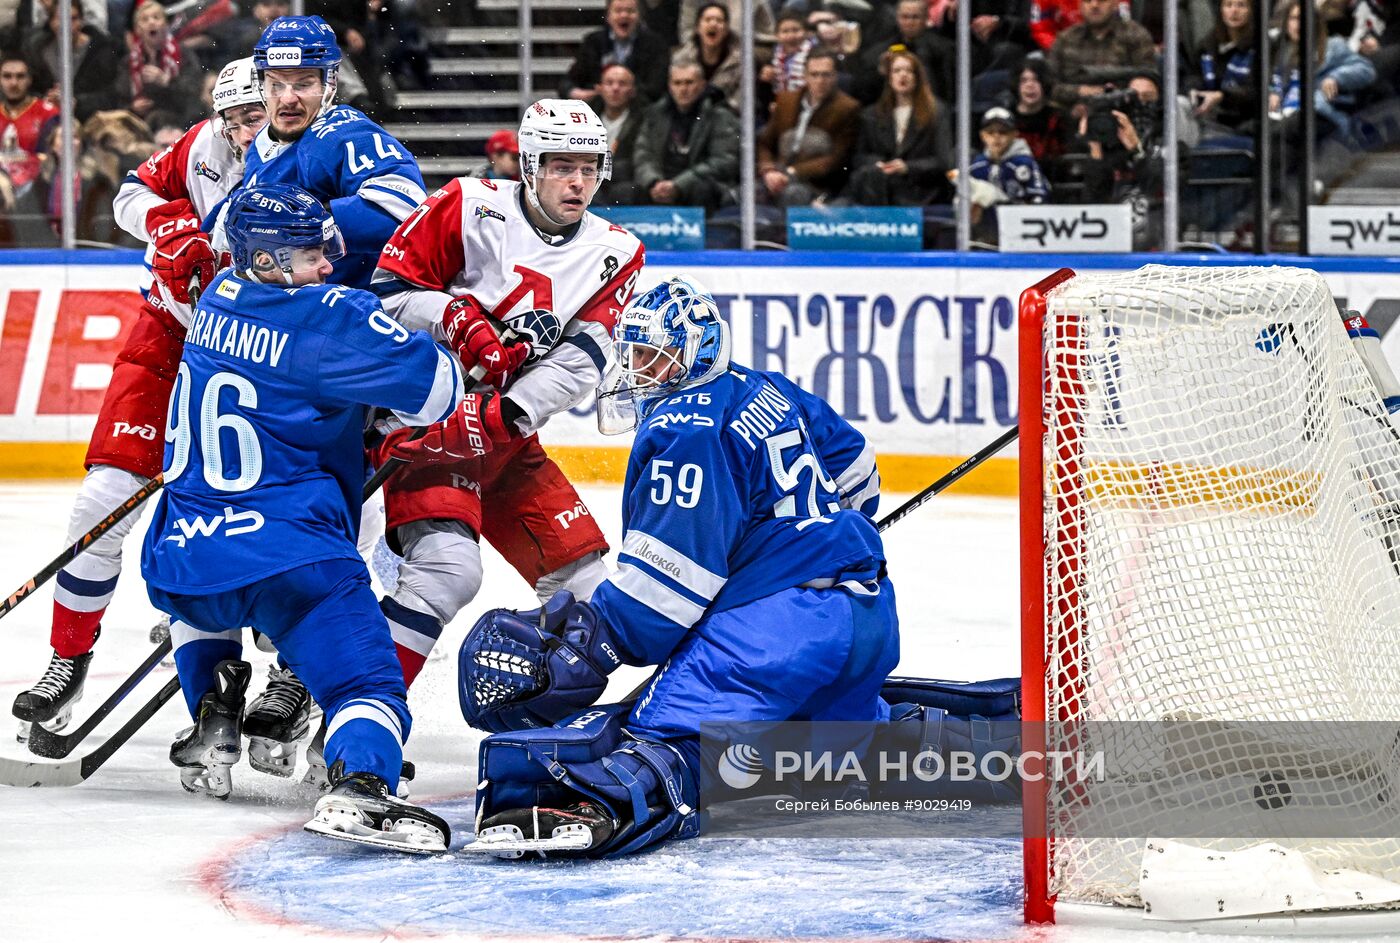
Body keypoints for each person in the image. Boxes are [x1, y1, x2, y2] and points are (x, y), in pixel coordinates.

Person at [458, 276, 896, 858]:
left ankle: (599, 804)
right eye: (633, 354)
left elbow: (666, 587)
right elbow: (860, 476)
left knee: (662, 735)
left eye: (651, 355)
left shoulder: (683, 429)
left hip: (777, 632)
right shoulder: (768, 387)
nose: (638, 371)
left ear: (695, 351)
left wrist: (596, 642)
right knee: (824, 739)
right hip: (867, 613)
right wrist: (810, 535)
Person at [140, 184, 462, 855]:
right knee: (368, 684)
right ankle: (363, 784)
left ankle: (213, 705)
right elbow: (438, 391)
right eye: (313, 251)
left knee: (207, 586)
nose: (327, 263)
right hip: (293, 559)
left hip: (182, 556)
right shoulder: (331, 315)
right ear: (270, 261)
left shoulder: (217, 300)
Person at [9, 57, 266, 744]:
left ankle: (287, 673)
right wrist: (167, 223)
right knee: (101, 501)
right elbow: (129, 193)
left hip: (260, 361)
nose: (245, 130)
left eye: (256, 114)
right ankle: (68, 658)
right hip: (167, 338)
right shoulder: (200, 146)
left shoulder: (308, 163)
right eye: (234, 117)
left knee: (236, 522)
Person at [367, 98, 645, 689]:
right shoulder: (465, 206)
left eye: (590, 167)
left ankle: (552, 718)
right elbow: (386, 297)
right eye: (562, 166)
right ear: (529, 165)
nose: (578, 182)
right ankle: (354, 708)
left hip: (505, 443)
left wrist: (509, 414)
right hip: (421, 432)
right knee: (448, 575)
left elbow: (583, 357)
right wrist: (454, 316)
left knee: (589, 590)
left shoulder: (616, 251)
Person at [220, 15, 426, 291]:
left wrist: (303, 226)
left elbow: (408, 214)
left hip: (361, 305)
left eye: (303, 84)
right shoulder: (260, 145)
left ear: (329, 85)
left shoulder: (347, 134)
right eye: (276, 84)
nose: (288, 98)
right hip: (292, 306)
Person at [845, 49, 952, 206]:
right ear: (889, 78)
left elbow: (943, 160)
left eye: (909, 71)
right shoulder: (872, 114)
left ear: (917, 77)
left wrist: (907, 167)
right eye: (897, 71)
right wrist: (879, 163)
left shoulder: (937, 112)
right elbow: (860, 156)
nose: (903, 75)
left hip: (920, 190)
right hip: (880, 185)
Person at [757, 49, 861, 206]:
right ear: (805, 76)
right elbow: (765, 143)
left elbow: (836, 159)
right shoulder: (786, 100)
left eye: (826, 75)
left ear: (835, 77)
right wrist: (768, 170)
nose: (820, 81)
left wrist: (791, 173)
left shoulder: (847, 108)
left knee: (793, 195)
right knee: (740, 195)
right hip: (776, 174)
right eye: (814, 74)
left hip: (815, 183)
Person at [633, 62, 740, 211]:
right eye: (677, 83)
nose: (683, 89)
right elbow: (643, 153)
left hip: (698, 183)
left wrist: (678, 185)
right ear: (670, 87)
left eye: (689, 82)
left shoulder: (719, 115)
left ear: (702, 85)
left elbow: (724, 161)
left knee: (702, 190)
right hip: (660, 182)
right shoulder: (655, 115)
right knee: (626, 191)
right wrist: (653, 181)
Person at [1046, 0, 1155, 113]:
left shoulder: (1135, 35)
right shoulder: (1065, 40)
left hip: (1124, 114)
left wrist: (1112, 94)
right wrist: (1081, 91)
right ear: (1080, 4)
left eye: (1102, 0)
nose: (1094, 5)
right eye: (1088, 1)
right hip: (1072, 117)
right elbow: (1049, 86)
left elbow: (1148, 78)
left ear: (1115, 3)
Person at [561, 0, 670, 106]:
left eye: (630, 11)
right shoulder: (593, 42)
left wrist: (625, 92)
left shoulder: (655, 44)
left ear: (639, 16)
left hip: (640, 112)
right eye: (618, 11)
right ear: (608, 16)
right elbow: (568, 83)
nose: (624, 15)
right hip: (598, 110)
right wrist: (575, 93)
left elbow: (657, 87)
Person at [0, 52, 58, 225]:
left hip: (35, 192)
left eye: (20, 76)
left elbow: (51, 161)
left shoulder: (48, 113)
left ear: (30, 79)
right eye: (7, 76)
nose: (13, 83)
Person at [1190, 0, 1260, 135]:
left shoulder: (1261, 45)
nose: (1234, 11)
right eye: (1228, 5)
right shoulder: (1209, 43)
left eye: (1241, 5)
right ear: (1221, 10)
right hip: (1207, 114)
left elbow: (1255, 91)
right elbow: (1193, 75)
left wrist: (1222, 96)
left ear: (1251, 11)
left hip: (1242, 120)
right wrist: (1193, 90)